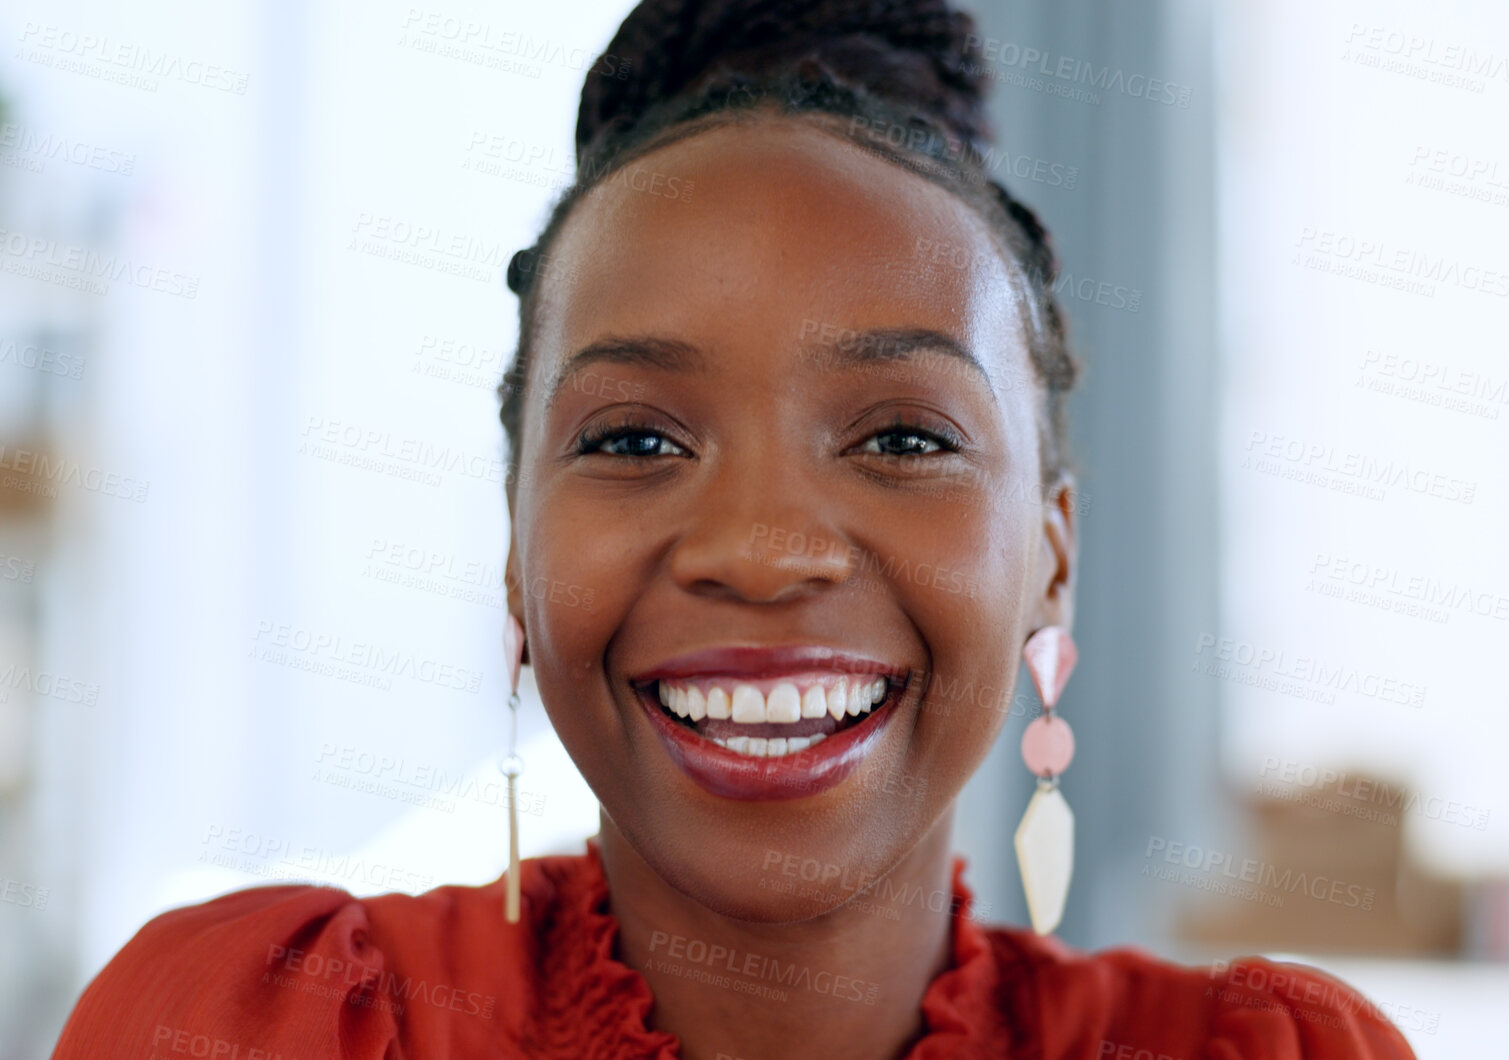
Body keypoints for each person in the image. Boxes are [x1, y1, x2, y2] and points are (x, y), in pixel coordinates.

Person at [53, 1, 1416, 1056]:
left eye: (902, 438)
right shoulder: (258, 1028)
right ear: (516, 552)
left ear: (1050, 556)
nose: (762, 551)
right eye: (635, 440)